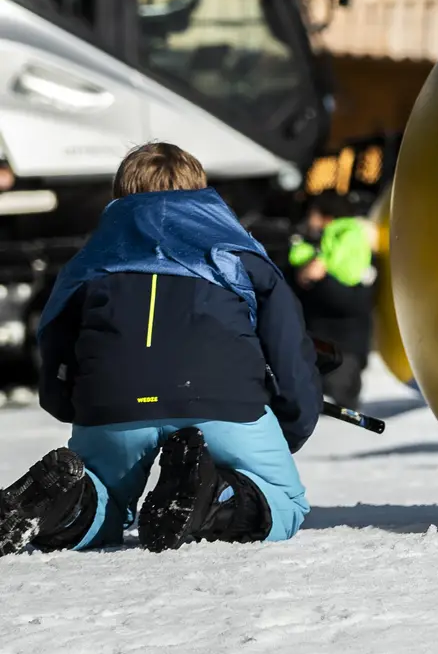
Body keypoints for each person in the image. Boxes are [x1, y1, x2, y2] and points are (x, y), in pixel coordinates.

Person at [0, 142, 322, 557]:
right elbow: (289, 348)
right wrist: (291, 424)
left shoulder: (89, 262)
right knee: (284, 501)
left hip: (112, 406)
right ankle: (213, 498)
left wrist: (71, 405)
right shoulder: (238, 255)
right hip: (220, 402)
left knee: (106, 502)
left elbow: (54, 338)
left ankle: (63, 505)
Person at [287, 195, 376, 408]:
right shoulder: (312, 244)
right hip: (313, 346)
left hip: (343, 350)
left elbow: (353, 302)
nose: (309, 221)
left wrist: (320, 279)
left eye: (313, 215)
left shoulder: (353, 246)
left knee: (341, 409)